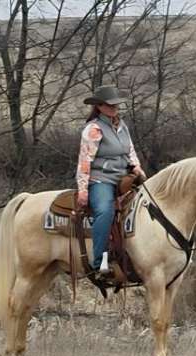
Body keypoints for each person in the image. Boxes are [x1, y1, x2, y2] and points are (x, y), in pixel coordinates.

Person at [76, 85, 146, 273]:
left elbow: (130, 151)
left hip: (124, 176)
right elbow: (84, 161)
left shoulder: (122, 126)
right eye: (110, 105)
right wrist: (83, 190)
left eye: (116, 105)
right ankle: (98, 261)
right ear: (99, 106)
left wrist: (138, 169)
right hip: (101, 179)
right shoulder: (93, 129)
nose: (114, 108)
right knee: (105, 211)